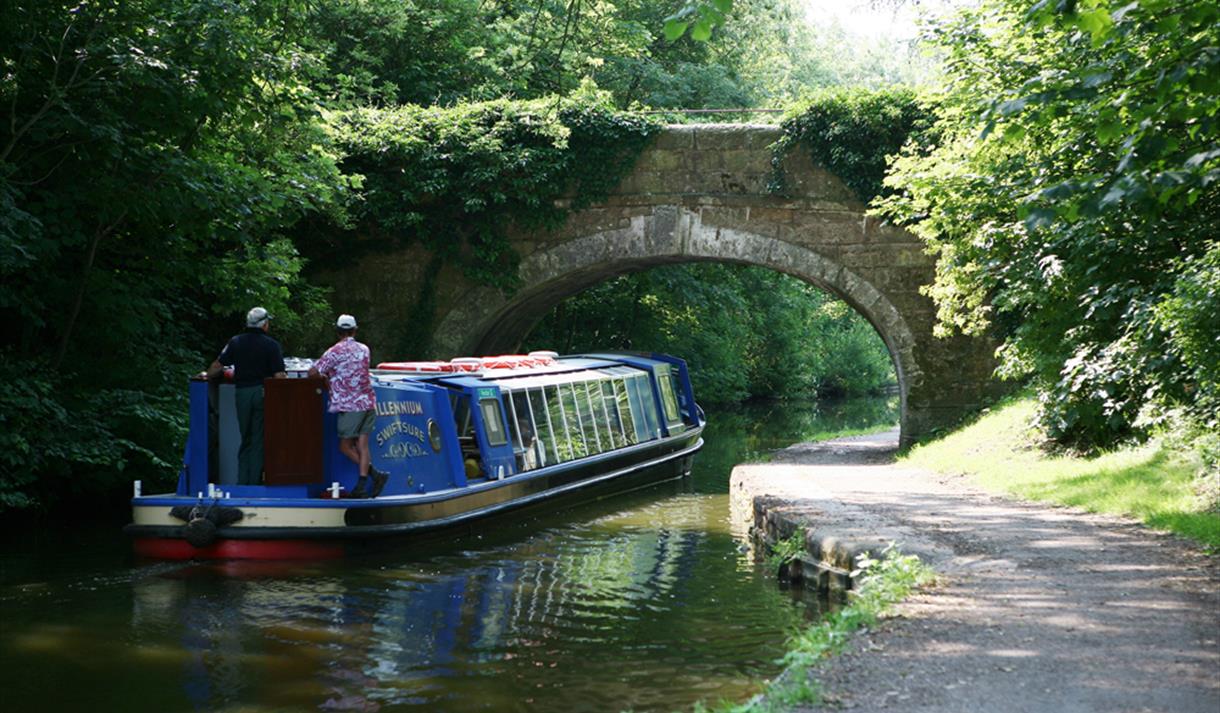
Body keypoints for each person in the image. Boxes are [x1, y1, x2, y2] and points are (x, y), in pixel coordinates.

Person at [308, 314, 387, 498]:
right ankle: (363, 485)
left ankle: (374, 476)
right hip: (368, 401)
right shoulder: (364, 349)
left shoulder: (334, 351)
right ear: (354, 330)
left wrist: (325, 377)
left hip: (350, 405)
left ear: (337, 332)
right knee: (362, 445)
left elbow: (312, 372)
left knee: (344, 446)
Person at [205, 307, 286, 485]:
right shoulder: (271, 345)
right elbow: (279, 376)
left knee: (245, 437)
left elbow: (218, 366)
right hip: (262, 393)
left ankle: (241, 482)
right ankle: (254, 482)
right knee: (258, 438)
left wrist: (204, 376)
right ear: (264, 325)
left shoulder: (235, 342)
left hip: (241, 393)